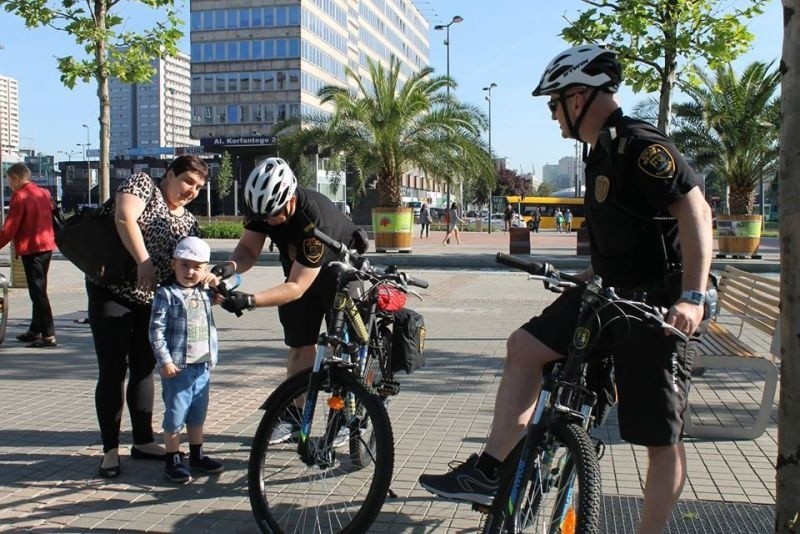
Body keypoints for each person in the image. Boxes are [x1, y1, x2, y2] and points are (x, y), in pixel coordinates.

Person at [418, 44, 713, 534]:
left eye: (554, 103)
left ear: (579, 98)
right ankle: (490, 471)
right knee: (525, 347)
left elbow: (696, 212)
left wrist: (693, 296)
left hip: (656, 307)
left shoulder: (640, 145)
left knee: (660, 441)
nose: (552, 114)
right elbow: (628, 236)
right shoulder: (598, 155)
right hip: (609, 294)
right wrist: (589, 277)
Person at [212, 157, 368, 444]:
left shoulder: (313, 223)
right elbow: (248, 248)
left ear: (291, 198)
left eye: (274, 214)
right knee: (299, 346)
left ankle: (349, 416)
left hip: (339, 273)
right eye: (263, 217)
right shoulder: (261, 209)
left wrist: (249, 300)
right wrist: (230, 267)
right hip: (300, 269)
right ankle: (293, 418)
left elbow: (296, 287)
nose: (269, 221)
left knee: (344, 349)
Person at [90, 155, 209, 479]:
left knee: (144, 370)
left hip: (151, 303)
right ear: (169, 174)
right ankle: (110, 450)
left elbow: (190, 265)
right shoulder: (143, 184)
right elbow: (124, 217)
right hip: (111, 291)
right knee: (113, 371)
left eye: (198, 187)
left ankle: (142, 440)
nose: (192, 191)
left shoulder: (188, 223)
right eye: (187, 181)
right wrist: (144, 261)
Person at [149, 236, 224, 484]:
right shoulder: (166, 294)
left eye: (197, 267)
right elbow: (155, 330)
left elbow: (228, 291)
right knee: (175, 415)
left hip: (202, 365)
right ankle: (172, 458)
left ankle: (197, 454)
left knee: (197, 415)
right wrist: (165, 361)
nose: (190, 271)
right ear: (173, 264)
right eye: (184, 265)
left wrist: (216, 282)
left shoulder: (204, 293)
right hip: (178, 367)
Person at [0, 163, 57, 348]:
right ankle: (35, 329)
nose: (9, 184)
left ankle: (48, 334)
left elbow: (9, 229)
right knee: (39, 288)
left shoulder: (20, 196)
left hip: (32, 248)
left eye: (9, 180)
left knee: (37, 292)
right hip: (47, 246)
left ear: (16, 178)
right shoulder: (43, 193)